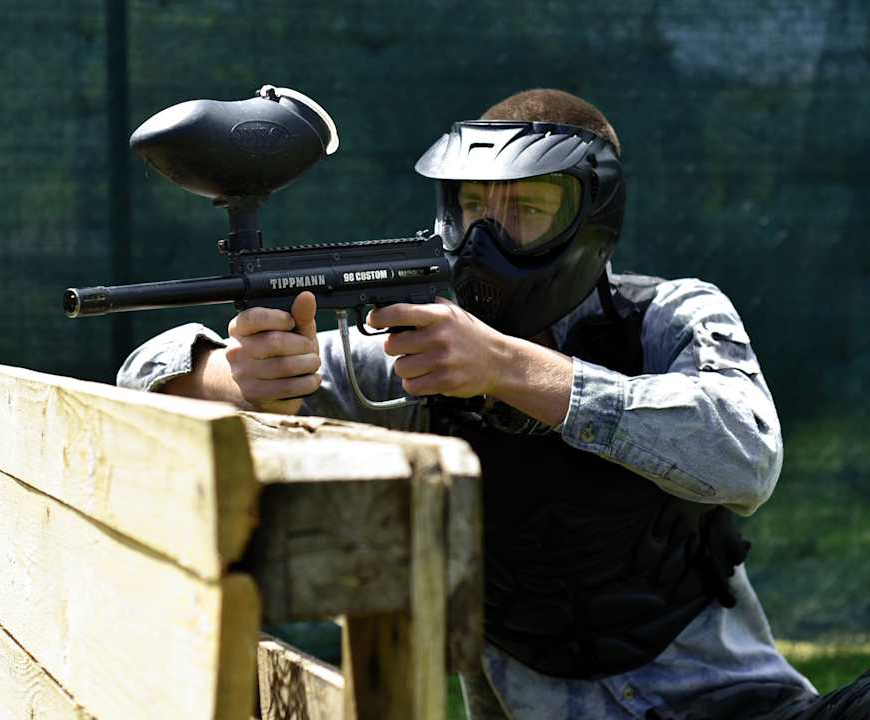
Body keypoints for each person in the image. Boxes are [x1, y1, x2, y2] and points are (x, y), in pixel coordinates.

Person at [117, 89, 869, 719]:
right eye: (473, 207)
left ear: (590, 218)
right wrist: (240, 378)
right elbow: (143, 376)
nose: (488, 239)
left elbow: (746, 455)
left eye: (527, 209)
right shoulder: (417, 357)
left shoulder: (669, 316)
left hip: (744, 707)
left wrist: (509, 369)